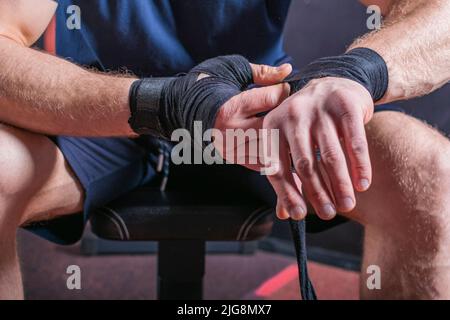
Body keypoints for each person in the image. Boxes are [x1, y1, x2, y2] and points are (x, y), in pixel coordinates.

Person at [0, 0, 449, 299]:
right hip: (108, 117)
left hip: (257, 117)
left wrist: (354, 71)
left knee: (426, 170)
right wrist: (161, 101)